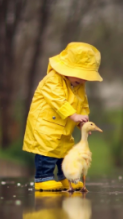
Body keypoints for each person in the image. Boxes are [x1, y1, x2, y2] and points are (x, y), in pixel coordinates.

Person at [23, 42, 102, 191]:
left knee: (66, 153)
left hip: (64, 127)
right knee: (47, 151)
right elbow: (57, 100)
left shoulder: (77, 85)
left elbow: (83, 104)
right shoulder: (52, 80)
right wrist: (73, 115)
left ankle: (67, 178)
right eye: (80, 75)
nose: (83, 80)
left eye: (86, 77)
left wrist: (82, 121)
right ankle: (42, 178)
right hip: (46, 126)